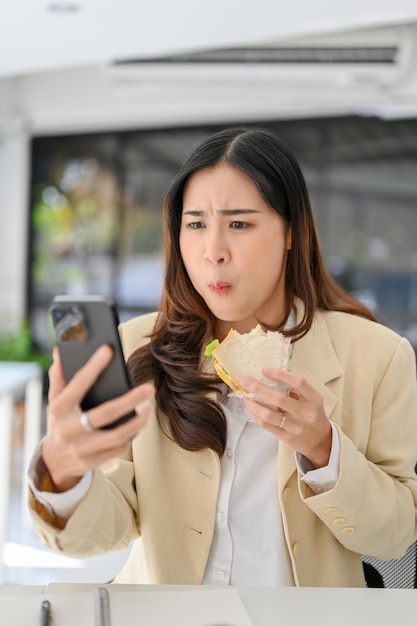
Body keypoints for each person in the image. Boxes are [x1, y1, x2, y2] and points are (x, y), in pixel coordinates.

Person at [28, 127, 417, 588]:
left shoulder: (380, 355)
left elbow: (393, 538)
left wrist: (323, 449)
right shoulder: (137, 347)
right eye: (195, 224)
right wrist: (64, 475)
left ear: (291, 232)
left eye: (239, 224)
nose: (212, 252)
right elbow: (105, 532)